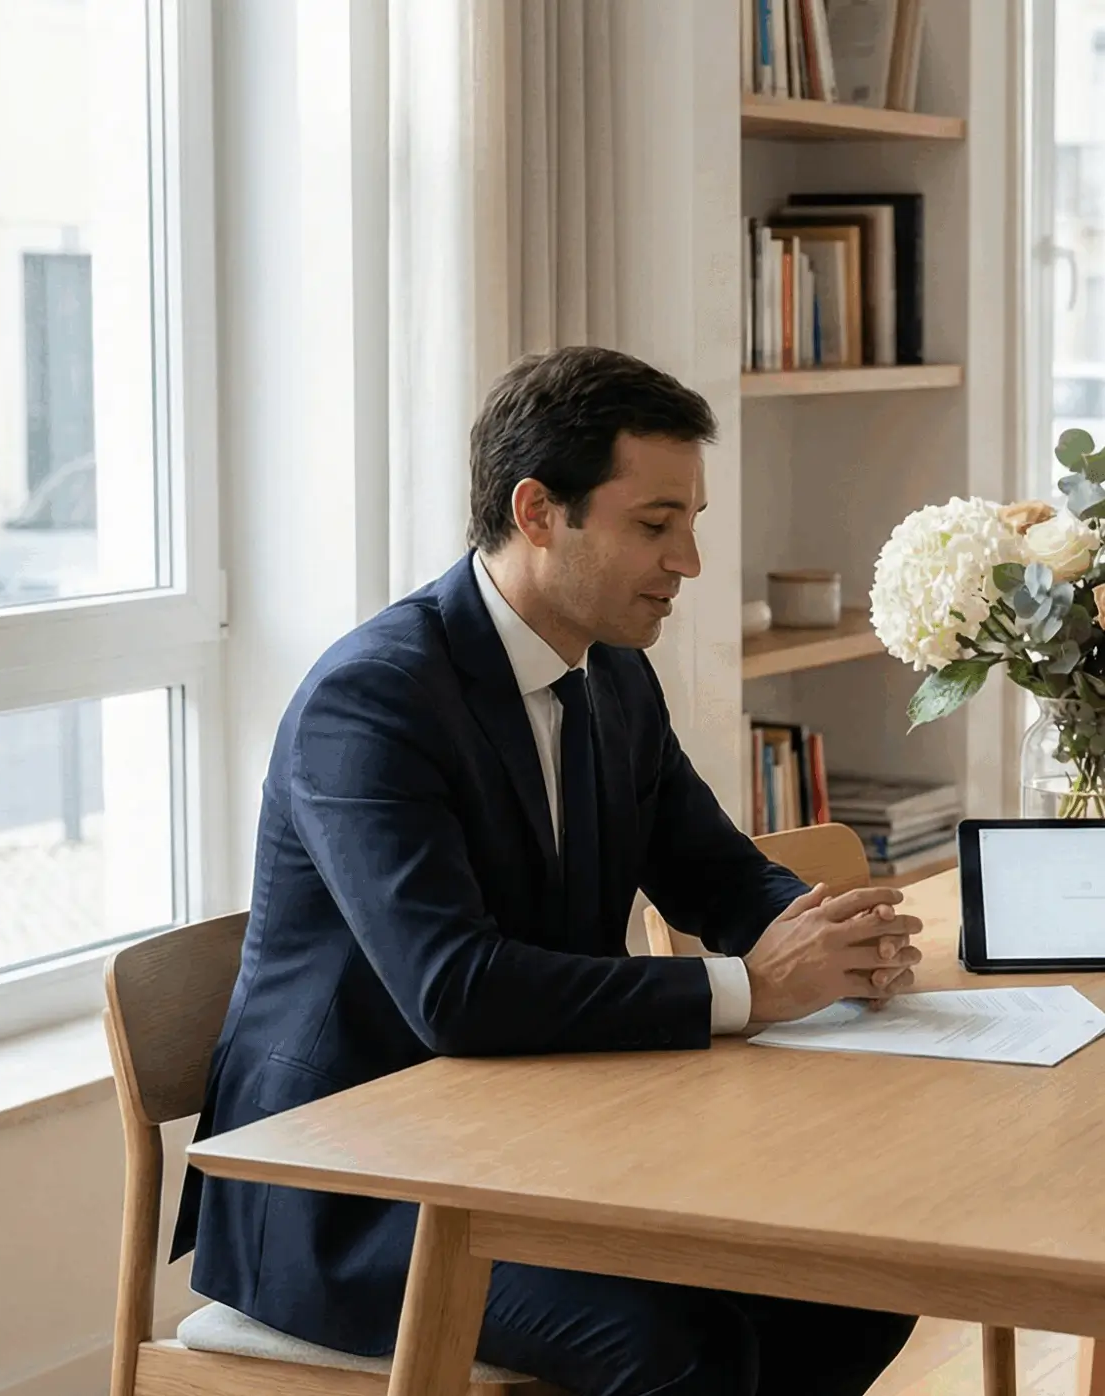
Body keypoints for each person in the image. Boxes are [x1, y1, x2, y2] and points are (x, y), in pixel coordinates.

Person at [172, 346, 921, 1396]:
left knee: (852, 1285)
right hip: (350, 1194)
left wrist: (829, 933)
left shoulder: (612, 673)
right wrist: (755, 987)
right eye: (654, 526)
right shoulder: (372, 702)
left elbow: (712, 872)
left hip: (540, 1146)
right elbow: (455, 992)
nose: (688, 562)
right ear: (537, 512)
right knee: (668, 1344)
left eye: (691, 523)